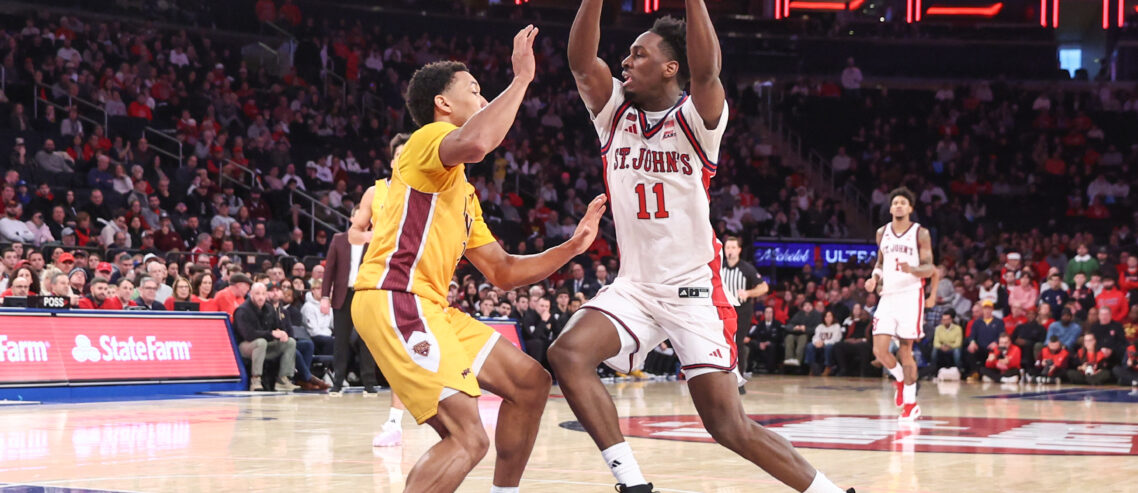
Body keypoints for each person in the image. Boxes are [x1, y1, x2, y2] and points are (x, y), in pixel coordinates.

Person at [551, 2, 853, 492]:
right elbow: (582, 63)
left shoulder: (696, 119)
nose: (626, 61)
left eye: (639, 54)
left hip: (694, 291)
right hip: (635, 287)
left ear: (671, 67)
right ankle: (632, 482)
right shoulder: (613, 113)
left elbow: (708, 71)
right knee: (567, 353)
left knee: (728, 426)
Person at [350, 27, 608, 492]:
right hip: (396, 297)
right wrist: (521, 80)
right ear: (443, 104)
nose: (484, 98)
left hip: (432, 308)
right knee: (467, 437)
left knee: (530, 383)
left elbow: (503, 272)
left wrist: (570, 248)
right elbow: (476, 143)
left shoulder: (463, 193)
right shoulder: (425, 140)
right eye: (474, 90)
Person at [341, 134, 410, 445]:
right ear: (392, 161)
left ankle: (402, 418)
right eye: (400, 155)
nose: (404, 160)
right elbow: (354, 233)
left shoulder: (427, 192)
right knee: (393, 350)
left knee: (409, 350)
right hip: (379, 279)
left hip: (413, 278)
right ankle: (395, 421)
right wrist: (374, 236)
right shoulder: (375, 192)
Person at [865, 187, 937, 422]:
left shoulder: (920, 233)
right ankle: (898, 378)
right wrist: (874, 278)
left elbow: (930, 268)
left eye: (903, 203)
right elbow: (880, 263)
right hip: (887, 296)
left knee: (905, 351)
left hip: (910, 296)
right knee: (879, 350)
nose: (898, 206)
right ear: (890, 208)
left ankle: (911, 404)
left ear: (910, 208)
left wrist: (912, 269)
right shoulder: (882, 232)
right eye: (895, 202)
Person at [720, 235, 767, 391]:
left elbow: (764, 287)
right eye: (727, 247)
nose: (730, 251)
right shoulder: (720, 267)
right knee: (723, 343)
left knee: (737, 343)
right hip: (724, 310)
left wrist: (748, 293)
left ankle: (739, 381)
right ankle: (724, 379)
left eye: (733, 247)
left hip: (742, 310)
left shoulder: (746, 268)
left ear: (739, 250)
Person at [234, 283, 299, 392]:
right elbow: (248, 335)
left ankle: (283, 380)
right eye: (257, 294)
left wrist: (282, 333)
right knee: (261, 342)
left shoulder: (269, 308)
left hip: (265, 345)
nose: (261, 297)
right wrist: (271, 334)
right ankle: (255, 379)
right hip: (244, 347)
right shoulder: (242, 310)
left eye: (263, 294)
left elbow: (277, 326)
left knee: (290, 342)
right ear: (251, 294)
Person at [805, 310, 842, 376]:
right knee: (809, 346)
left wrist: (823, 343)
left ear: (833, 317)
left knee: (828, 347)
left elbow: (836, 339)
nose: (828, 318)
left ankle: (828, 367)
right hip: (819, 345)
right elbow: (815, 337)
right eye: (826, 316)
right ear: (824, 318)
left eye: (829, 316)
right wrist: (816, 343)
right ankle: (813, 367)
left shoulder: (837, 326)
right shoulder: (820, 326)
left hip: (830, 345)